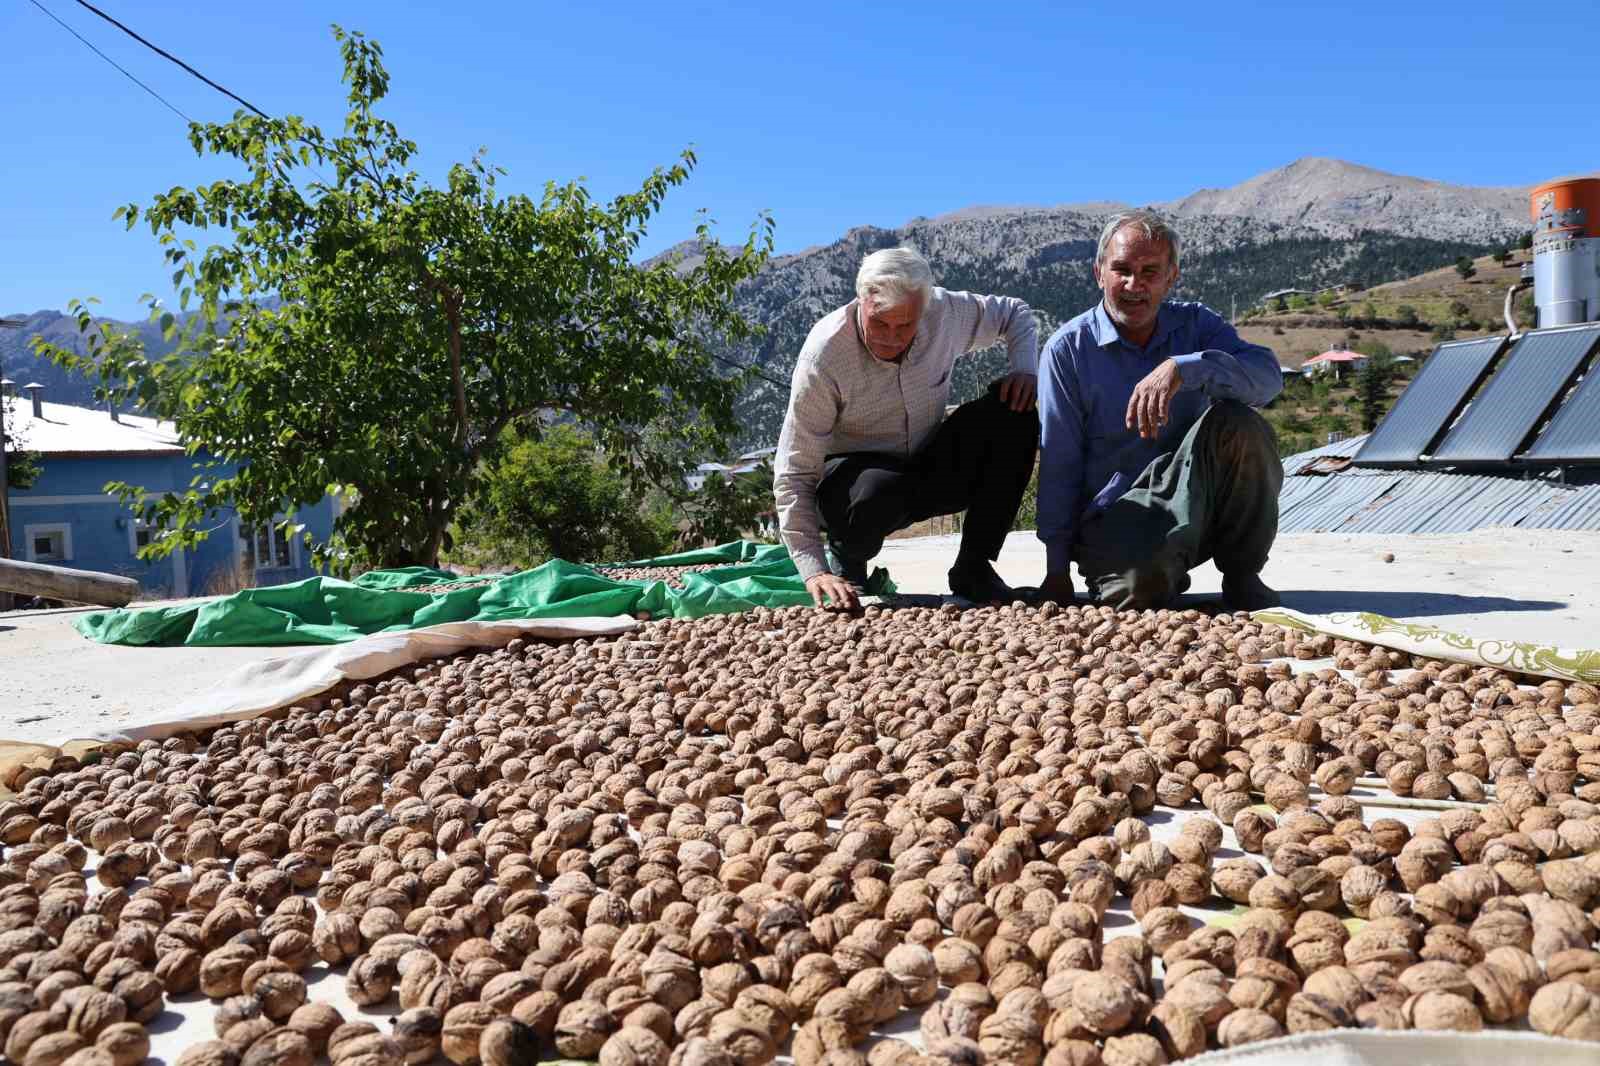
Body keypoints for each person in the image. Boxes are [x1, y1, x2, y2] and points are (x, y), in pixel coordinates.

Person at [1036, 210, 1285, 612]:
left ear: (1172, 277)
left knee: (1241, 424)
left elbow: (1268, 380)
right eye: (1122, 270)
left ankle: (1242, 574)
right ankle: (1155, 569)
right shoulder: (1068, 351)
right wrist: (1056, 572)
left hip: (1201, 505)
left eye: (1150, 271)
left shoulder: (1198, 326)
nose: (1135, 285)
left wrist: (1186, 368)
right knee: (1136, 595)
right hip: (1121, 515)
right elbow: (1059, 461)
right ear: (1099, 272)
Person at [774, 246, 1040, 609]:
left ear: (924, 309)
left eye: (906, 326)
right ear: (861, 301)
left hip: (926, 465)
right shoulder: (824, 355)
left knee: (1015, 413)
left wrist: (1025, 368)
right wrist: (813, 570)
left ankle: (974, 568)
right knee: (873, 492)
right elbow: (795, 470)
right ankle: (849, 557)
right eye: (880, 323)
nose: (892, 338)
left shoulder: (944, 312)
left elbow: (1016, 313)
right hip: (856, 486)